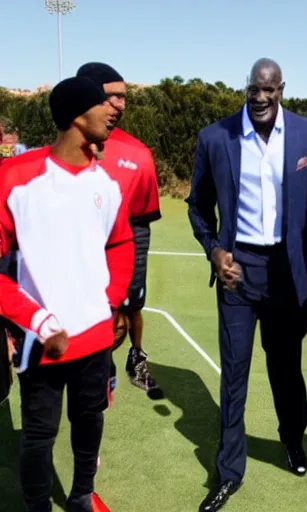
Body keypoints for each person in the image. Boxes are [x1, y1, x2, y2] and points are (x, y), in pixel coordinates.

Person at [186, 57, 307, 511]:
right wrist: (215, 250)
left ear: (282, 89)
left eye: (270, 89)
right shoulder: (216, 137)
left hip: (290, 273)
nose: (262, 97)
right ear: (246, 89)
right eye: (255, 89)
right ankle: (229, 471)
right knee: (234, 373)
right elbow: (197, 206)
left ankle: (292, 440)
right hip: (237, 270)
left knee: (286, 368)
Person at [0, 76, 134, 512]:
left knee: (89, 420)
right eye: (104, 103)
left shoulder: (108, 185)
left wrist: (111, 302)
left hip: (95, 338)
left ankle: (80, 496)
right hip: (43, 343)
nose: (115, 109)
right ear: (77, 114)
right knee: (39, 434)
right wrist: (39, 322)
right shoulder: (14, 179)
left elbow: (120, 244)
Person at [76, 62, 162, 398]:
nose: (121, 104)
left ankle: (136, 361)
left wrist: (134, 275)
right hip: (77, 262)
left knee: (132, 311)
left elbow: (141, 224)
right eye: (114, 97)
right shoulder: (64, 148)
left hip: (122, 258)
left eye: (125, 98)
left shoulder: (139, 154)